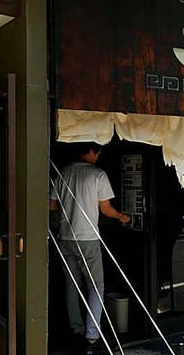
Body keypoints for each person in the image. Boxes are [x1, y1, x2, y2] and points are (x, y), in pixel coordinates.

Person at [49, 142, 130, 353]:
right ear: (92, 151)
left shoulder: (63, 172)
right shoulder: (98, 174)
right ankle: (92, 335)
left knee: (71, 285)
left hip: (66, 237)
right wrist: (122, 216)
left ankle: (76, 329)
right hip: (88, 238)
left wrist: (68, 207)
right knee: (96, 286)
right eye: (98, 152)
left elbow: (51, 205)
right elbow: (106, 209)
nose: (98, 156)